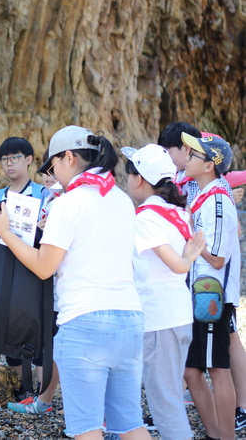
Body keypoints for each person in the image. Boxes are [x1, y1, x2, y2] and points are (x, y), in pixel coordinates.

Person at [0, 125, 151, 440]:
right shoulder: (120, 198)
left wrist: (5, 230)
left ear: (69, 157)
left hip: (85, 322)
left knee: (87, 429)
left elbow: (44, 267)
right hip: (130, 319)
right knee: (130, 425)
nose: (52, 173)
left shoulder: (68, 203)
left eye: (52, 165)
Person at [123, 144, 205, 440]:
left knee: (165, 403)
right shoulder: (176, 211)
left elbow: (177, 264)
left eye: (129, 173)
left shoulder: (146, 218)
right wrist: (188, 257)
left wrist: (188, 259)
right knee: (170, 395)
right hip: (179, 315)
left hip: (159, 319)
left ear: (139, 179)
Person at [0, 137, 56, 411]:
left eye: (15, 158)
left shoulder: (44, 193)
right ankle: (26, 388)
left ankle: (42, 395)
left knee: (39, 327)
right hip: (8, 268)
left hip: (38, 266)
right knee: (9, 326)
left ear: (29, 159)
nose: (9, 164)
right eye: (4, 160)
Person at [181, 133, 238, 440]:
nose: (186, 157)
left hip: (210, 296)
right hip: (198, 294)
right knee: (191, 372)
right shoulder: (201, 196)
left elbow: (216, 259)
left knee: (217, 370)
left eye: (193, 154)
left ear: (209, 165)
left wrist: (190, 242)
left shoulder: (216, 200)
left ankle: (225, 437)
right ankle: (215, 435)